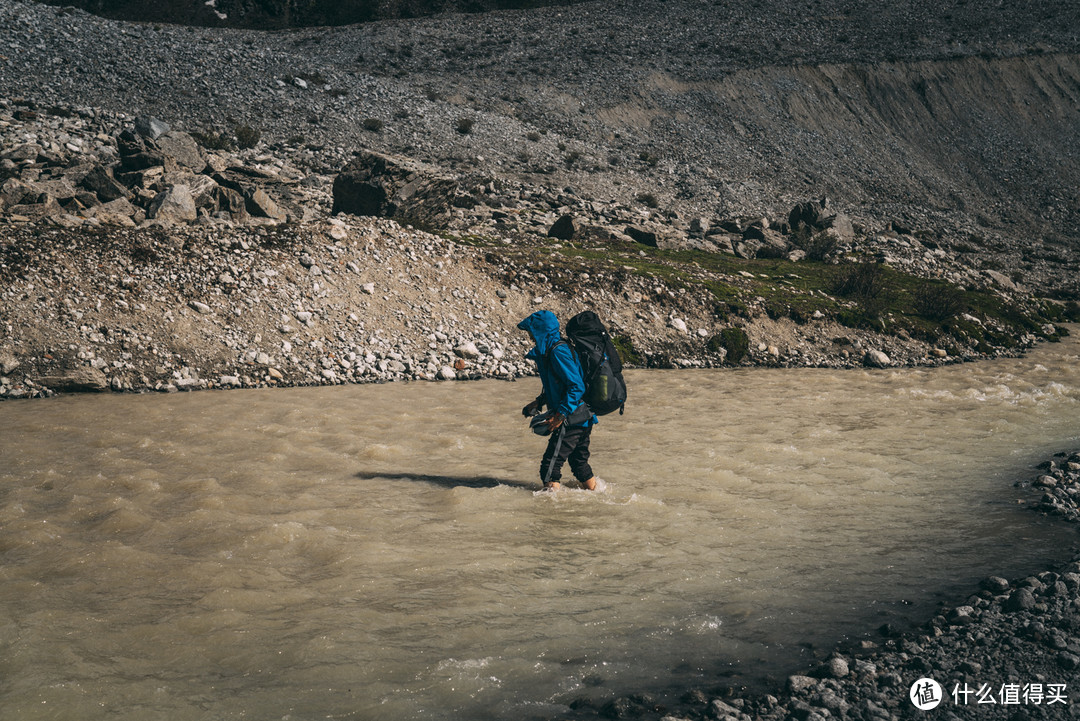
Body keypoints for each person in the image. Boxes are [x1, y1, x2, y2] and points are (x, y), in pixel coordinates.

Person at [517, 310, 600, 492]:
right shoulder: (552, 350)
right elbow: (559, 386)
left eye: (531, 332)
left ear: (541, 330)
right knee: (579, 464)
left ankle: (553, 516)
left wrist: (560, 415)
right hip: (583, 417)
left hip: (572, 418)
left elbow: (576, 386)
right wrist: (539, 402)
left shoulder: (557, 352)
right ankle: (598, 497)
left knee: (549, 469)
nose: (530, 337)